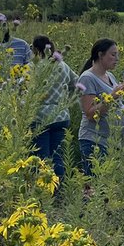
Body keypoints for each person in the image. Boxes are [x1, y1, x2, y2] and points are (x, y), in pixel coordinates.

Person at [77, 38, 124, 176]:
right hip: (95, 141)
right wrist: (113, 96)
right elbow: (90, 113)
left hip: (112, 143)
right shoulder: (87, 78)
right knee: (95, 186)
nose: (117, 59)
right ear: (100, 54)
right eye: (113, 54)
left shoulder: (109, 75)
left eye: (117, 55)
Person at [30, 35, 74, 188]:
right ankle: (58, 190)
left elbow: (21, 88)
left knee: (41, 158)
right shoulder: (63, 66)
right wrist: (65, 97)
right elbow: (76, 82)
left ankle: (43, 191)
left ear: (35, 49)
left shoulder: (32, 66)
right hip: (61, 116)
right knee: (58, 156)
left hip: (39, 117)